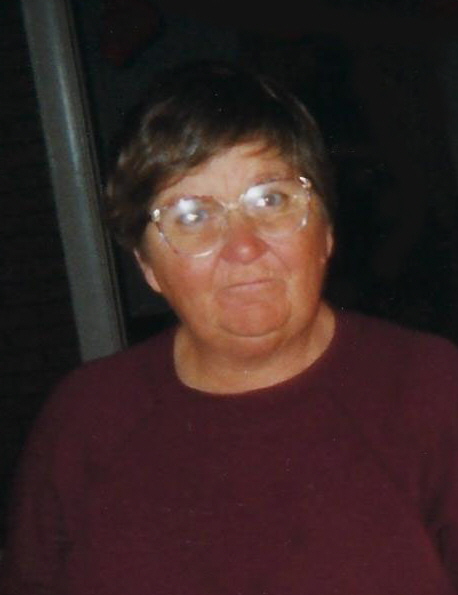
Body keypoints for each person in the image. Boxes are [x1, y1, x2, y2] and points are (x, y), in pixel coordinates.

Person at [1, 60, 458, 595]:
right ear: (147, 265)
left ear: (327, 230)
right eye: (192, 215)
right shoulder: (86, 420)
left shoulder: (431, 391)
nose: (243, 246)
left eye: (272, 200)